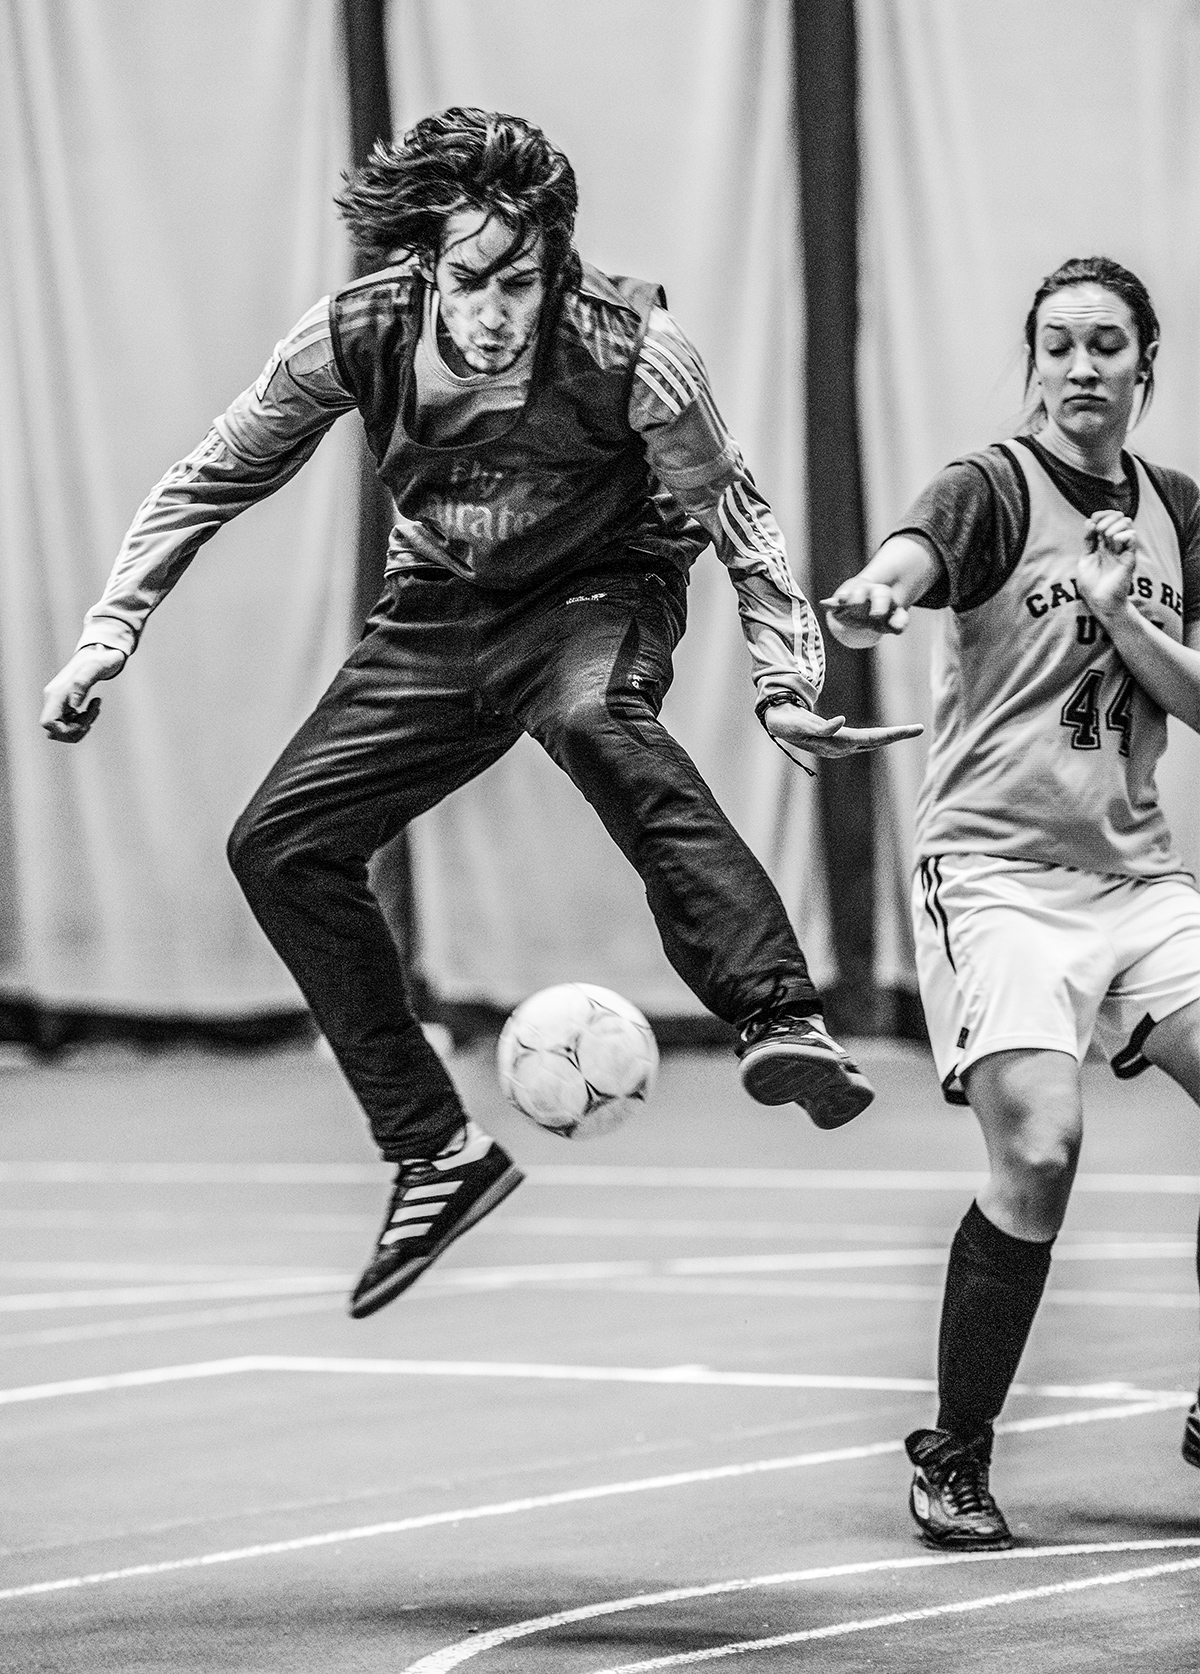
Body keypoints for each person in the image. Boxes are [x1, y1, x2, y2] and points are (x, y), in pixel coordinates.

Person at [42, 108, 918, 1322]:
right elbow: (211, 476)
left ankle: (781, 1014)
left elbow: (745, 528)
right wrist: (108, 630)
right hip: (443, 609)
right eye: (472, 279)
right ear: (423, 266)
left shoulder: (635, 354)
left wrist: (787, 681)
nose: (500, 309)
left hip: (599, 589)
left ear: (557, 263)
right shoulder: (357, 334)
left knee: (600, 722)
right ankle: (433, 1155)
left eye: (525, 279)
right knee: (279, 843)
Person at [824, 255, 1200, 1549]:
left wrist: (1122, 617)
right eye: (1057, 344)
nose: (1080, 365)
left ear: (1146, 365)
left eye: (1106, 343)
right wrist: (883, 588)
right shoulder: (995, 487)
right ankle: (956, 1452)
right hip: (995, 878)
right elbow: (919, 548)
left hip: (1138, 879)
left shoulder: (1176, 513)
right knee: (1039, 1144)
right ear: (1032, 363)